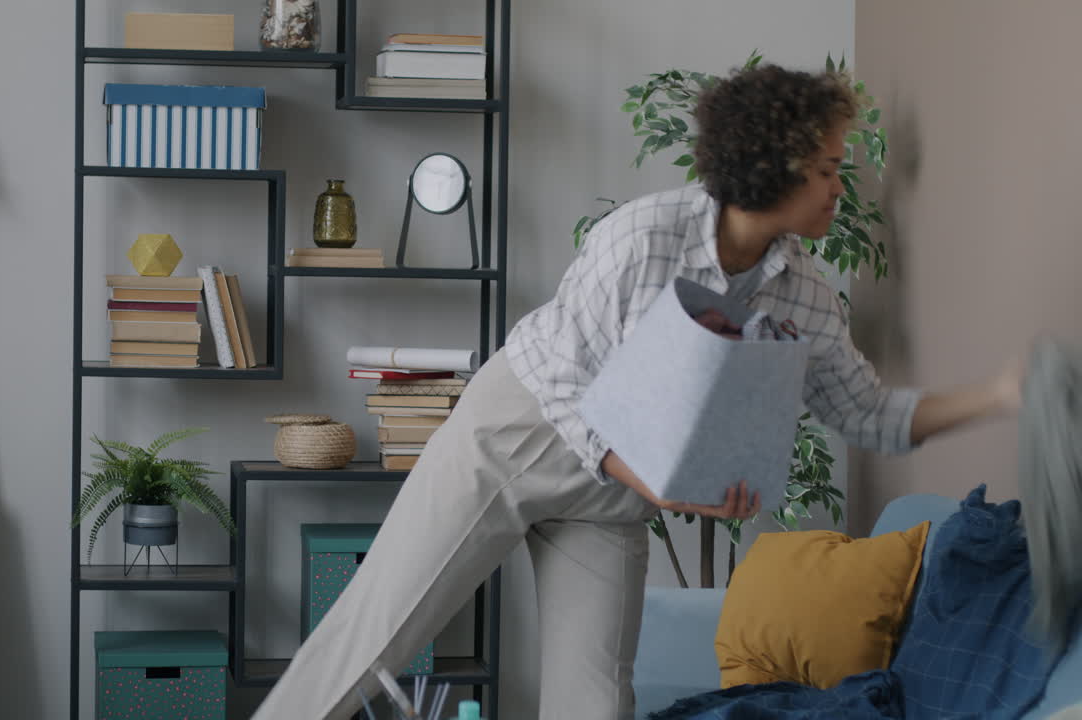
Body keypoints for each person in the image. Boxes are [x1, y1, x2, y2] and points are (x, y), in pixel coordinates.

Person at [252, 63, 1023, 719]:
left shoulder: (804, 295)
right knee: (373, 634)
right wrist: (654, 479)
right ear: (773, 167)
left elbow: (867, 411)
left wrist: (998, 394)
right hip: (516, 438)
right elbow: (564, 381)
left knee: (595, 702)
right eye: (825, 167)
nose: (836, 185)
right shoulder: (643, 234)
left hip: (615, 496)